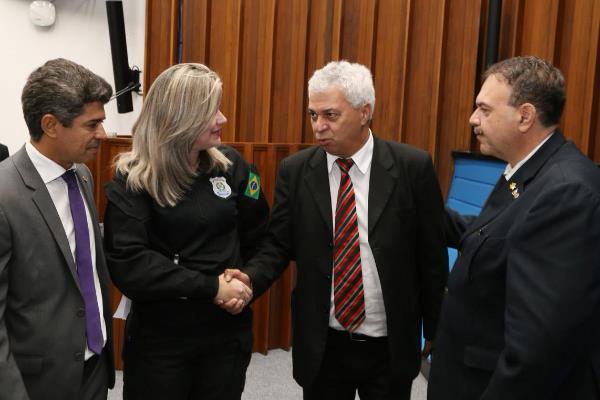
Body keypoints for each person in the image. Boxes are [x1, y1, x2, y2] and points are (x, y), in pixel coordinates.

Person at [226, 60, 448, 399]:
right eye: (313, 115)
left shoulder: (411, 167)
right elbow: (277, 244)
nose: (319, 126)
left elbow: (431, 253)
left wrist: (435, 326)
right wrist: (249, 278)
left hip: (389, 342)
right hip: (323, 343)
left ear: (364, 112)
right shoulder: (296, 171)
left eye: (331, 115)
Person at [427, 56, 600, 399]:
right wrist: (418, 206)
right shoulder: (529, 170)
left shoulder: (567, 192)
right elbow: (493, 238)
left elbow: (539, 349)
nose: (473, 119)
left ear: (524, 116)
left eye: (484, 110)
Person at [102, 63, 269, 400]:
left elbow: (262, 237)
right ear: (181, 117)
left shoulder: (233, 166)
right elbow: (130, 263)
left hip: (226, 334)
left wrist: (248, 281)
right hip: (162, 340)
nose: (223, 119)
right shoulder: (133, 179)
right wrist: (211, 288)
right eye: (212, 111)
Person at [0, 58, 115, 400]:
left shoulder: (81, 174)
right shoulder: (5, 194)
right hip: (36, 382)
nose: (103, 135)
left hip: (93, 368)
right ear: (50, 125)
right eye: (92, 124)